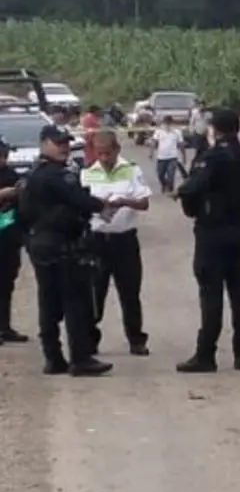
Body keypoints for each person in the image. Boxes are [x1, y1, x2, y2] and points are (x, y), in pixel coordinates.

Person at [19, 125, 131, 375]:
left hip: (40, 244)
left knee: (48, 303)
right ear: (44, 143)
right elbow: (78, 199)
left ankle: (53, 357)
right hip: (61, 245)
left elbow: (23, 214)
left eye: (67, 143)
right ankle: (80, 359)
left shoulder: (31, 174)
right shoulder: (57, 175)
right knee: (75, 301)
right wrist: (100, 206)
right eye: (58, 143)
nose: (64, 148)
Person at [174, 108, 240, 373]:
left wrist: (184, 196)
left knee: (211, 296)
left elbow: (191, 188)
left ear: (215, 129)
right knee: (239, 294)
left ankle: (205, 355)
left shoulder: (212, 157)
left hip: (213, 233)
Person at [80, 130, 151, 357]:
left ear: (117, 150)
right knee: (95, 293)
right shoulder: (88, 173)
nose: (103, 158)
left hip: (124, 240)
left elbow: (144, 202)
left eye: (107, 153)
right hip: (98, 240)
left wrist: (124, 202)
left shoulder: (130, 170)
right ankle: (90, 339)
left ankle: (136, 339)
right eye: (99, 153)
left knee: (130, 293)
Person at [0, 139, 29, 345]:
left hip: (9, 236)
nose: (3, 159)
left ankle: (4, 327)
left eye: (4, 155)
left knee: (6, 284)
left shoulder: (10, 174)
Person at [149, 116, 183, 193]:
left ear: (171, 123)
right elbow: (154, 142)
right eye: (165, 123)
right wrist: (151, 153)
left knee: (171, 175)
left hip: (172, 157)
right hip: (161, 157)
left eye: (168, 123)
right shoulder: (158, 131)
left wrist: (184, 156)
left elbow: (181, 144)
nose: (167, 125)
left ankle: (170, 188)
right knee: (160, 174)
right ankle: (164, 185)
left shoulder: (177, 132)